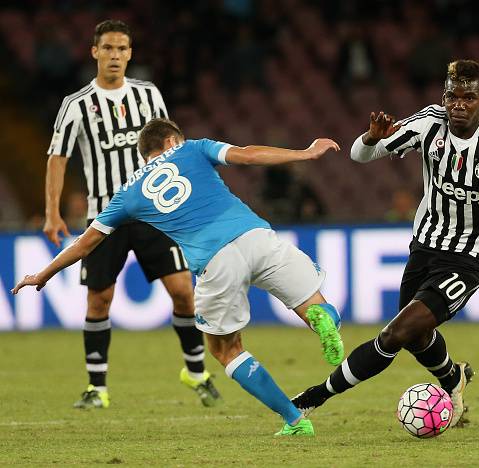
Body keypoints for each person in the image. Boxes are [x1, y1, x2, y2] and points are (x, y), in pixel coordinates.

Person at [14, 118, 345, 437]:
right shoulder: (195, 148)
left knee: (225, 349)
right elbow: (248, 154)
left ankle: (294, 419)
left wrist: (44, 274)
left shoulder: (127, 194)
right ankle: (321, 319)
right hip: (256, 235)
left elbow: (85, 244)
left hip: (216, 260)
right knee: (314, 304)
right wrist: (305, 152)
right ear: (172, 140)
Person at [291, 59, 479, 428]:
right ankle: (453, 379)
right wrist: (371, 137)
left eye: (468, 97)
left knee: (395, 333)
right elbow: (359, 155)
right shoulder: (428, 123)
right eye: (452, 96)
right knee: (416, 337)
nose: (458, 104)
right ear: (444, 98)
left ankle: (313, 398)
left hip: (471, 259)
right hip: (425, 247)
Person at [42, 20, 220, 409]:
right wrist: (52, 212)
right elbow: (57, 158)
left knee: (183, 293)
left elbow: (173, 145)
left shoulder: (149, 95)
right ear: (94, 52)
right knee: (99, 300)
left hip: (155, 211)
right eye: (107, 48)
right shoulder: (76, 105)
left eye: (122, 49)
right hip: (105, 215)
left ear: (130, 54)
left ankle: (195, 372)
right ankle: (97, 389)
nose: (115, 56)